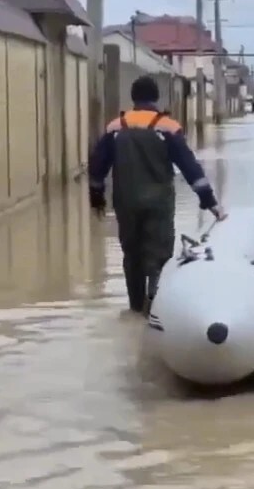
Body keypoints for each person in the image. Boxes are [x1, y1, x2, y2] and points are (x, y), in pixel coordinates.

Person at [89, 76, 227, 314]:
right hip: (159, 203)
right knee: (159, 254)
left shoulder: (116, 127)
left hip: (126, 202)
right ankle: (154, 310)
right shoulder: (167, 127)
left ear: (133, 98)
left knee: (132, 255)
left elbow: (97, 166)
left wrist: (96, 196)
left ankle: (134, 308)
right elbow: (189, 166)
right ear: (156, 98)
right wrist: (210, 202)